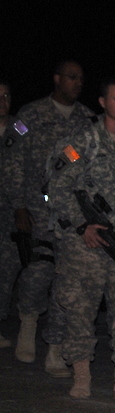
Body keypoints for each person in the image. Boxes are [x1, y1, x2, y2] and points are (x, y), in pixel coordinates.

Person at [47, 77, 115, 400]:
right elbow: (57, 186)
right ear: (103, 102)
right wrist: (82, 225)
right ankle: (81, 374)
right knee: (81, 307)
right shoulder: (83, 141)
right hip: (86, 242)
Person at [8, 60, 95, 375]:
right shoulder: (30, 115)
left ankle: (55, 346)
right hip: (37, 209)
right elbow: (14, 159)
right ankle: (28, 321)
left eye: (81, 78)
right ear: (57, 79)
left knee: (66, 279)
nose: (77, 83)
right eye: (72, 77)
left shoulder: (88, 119)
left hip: (71, 213)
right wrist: (18, 205)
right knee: (38, 271)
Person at [0, 80, 20, 349]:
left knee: (6, 268)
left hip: (12, 208)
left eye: (6, 95)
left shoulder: (20, 127)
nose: (2, 101)